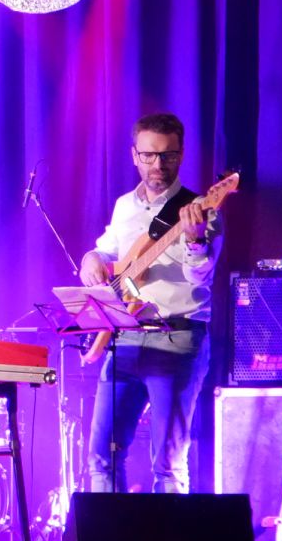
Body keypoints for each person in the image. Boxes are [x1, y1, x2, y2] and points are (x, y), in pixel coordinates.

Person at [79, 112, 221, 493]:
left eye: (168, 155)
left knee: (168, 466)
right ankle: (109, 532)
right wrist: (91, 259)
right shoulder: (125, 206)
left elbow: (201, 278)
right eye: (149, 155)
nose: (158, 164)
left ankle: (169, 534)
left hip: (176, 340)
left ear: (181, 154)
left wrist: (195, 241)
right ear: (134, 155)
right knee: (102, 458)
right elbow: (107, 250)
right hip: (124, 338)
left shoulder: (201, 209)